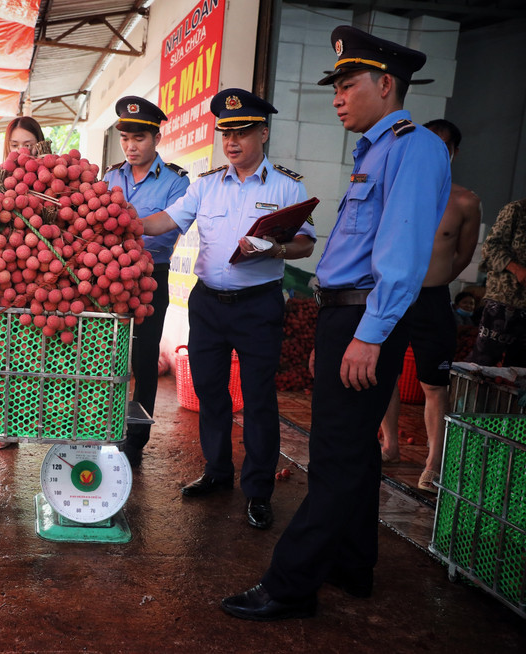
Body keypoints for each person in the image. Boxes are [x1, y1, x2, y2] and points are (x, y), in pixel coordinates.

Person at [221, 25, 451, 621]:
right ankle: (354, 565)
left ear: (386, 83)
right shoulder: (373, 150)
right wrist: (339, 331)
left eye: (349, 85)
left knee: (336, 457)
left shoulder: (413, 145)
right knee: (351, 452)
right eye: (337, 87)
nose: (338, 97)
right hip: (343, 314)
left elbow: (399, 255)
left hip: (363, 315)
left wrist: (368, 335)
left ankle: (290, 584)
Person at [140, 89, 315, 530]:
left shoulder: (287, 186)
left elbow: (305, 243)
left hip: (258, 306)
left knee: (258, 400)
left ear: (263, 133)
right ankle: (218, 473)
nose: (231, 141)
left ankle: (258, 491)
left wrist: (274, 246)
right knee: (210, 393)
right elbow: (164, 221)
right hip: (208, 305)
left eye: (241, 132)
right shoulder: (206, 185)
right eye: (225, 133)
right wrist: (115, 218)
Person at [378, 119, 481, 492]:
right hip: (393, 295)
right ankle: (389, 446)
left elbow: (462, 256)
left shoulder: (465, 201)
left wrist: (431, 280)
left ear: (452, 152)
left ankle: (433, 464)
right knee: (383, 374)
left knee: (434, 385)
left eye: (442, 146)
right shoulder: (396, 192)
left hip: (432, 300)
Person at [103, 95, 190, 467]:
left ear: (156, 137)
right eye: (125, 138)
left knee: (143, 358)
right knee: (105, 354)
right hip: (107, 275)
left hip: (151, 275)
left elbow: (166, 234)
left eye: (138, 138)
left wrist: (126, 222)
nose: (130, 146)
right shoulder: (110, 176)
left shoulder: (175, 181)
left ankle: (136, 441)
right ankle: (101, 426)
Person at [0, 114, 48, 451]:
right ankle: (6, 426)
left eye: (28, 144)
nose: (22, 151)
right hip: (5, 280)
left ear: (39, 144)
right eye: (15, 145)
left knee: (40, 357)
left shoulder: (55, 179)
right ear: (6, 148)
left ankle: (43, 421)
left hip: (45, 281)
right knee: (5, 354)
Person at [469, 198, 526, 367]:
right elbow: (490, 247)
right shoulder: (516, 210)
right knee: (484, 363)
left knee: (519, 370)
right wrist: (516, 269)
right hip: (504, 301)